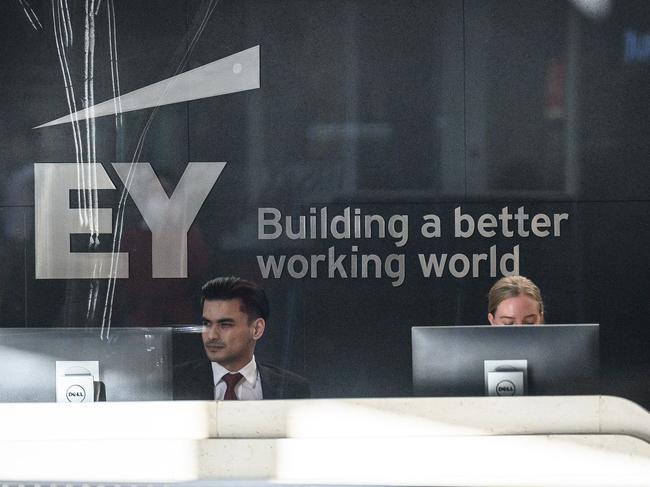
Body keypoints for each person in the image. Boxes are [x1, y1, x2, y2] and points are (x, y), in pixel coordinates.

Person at [173, 276, 310, 400]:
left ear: (257, 329)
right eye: (207, 323)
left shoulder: (292, 388)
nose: (212, 335)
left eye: (225, 324)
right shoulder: (172, 382)